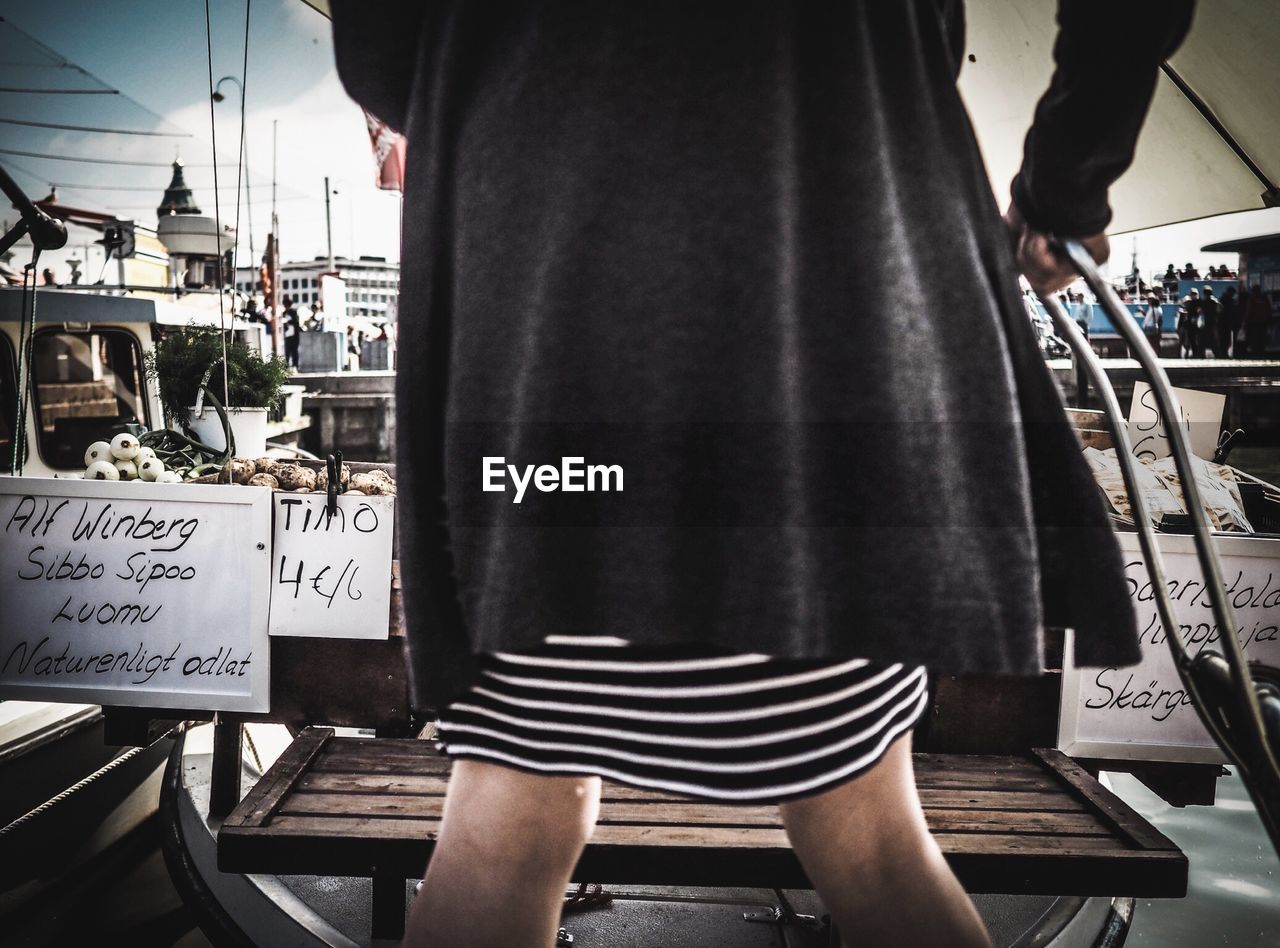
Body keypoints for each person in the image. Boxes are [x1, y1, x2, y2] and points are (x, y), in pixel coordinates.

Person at [332, 2, 1189, 945]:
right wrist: (1063, 190)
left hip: (553, 323)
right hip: (827, 299)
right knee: (867, 829)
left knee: (508, 819)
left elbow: (383, 52)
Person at [1245, 285, 1271, 357]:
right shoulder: (1264, 298)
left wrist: (1246, 321)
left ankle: (1255, 352)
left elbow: (1249, 311)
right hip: (1263, 322)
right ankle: (1261, 351)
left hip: (1254, 322)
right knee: (1262, 337)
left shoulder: (1252, 298)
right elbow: (1268, 310)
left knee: (1254, 338)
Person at [1178, 288, 1200, 358]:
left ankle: (1187, 354)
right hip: (1184, 327)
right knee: (1181, 342)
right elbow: (1180, 320)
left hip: (1189, 328)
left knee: (1188, 342)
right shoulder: (1182, 311)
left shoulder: (1193, 308)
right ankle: (1180, 354)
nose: (1187, 304)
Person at [1219, 285, 1241, 358]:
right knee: (1226, 339)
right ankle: (1224, 353)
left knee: (1224, 338)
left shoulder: (1222, 299)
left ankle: (1223, 353)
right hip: (1227, 322)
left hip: (1223, 322)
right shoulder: (1230, 301)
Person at [1199, 285, 1221, 357]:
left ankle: (1202, 354)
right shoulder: (1215, 301)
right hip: (1214, 322)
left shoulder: (1205, 301)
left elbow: (1201, 311)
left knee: (1204, 339)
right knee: (1213, 339)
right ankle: (1217, 354)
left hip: (1207, 322)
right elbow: (1219, 310)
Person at [282, 295, 302, 369]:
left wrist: (287, 322)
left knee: (294, 351)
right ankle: (287, 366)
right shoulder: (284, 313)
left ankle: (295, 366)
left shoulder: (293, 311)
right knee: (287, 352)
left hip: (294, 335)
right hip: (288, 335)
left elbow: (295, 321)